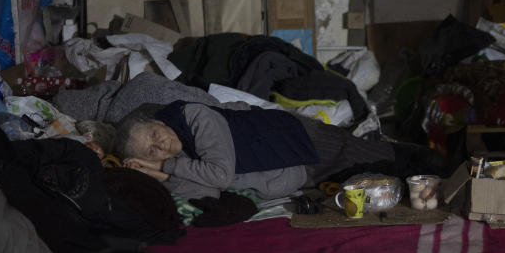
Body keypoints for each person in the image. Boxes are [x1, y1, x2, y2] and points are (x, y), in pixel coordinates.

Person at [115, 100, 412, 202]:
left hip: (296, 139)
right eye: (151, 152)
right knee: (368, 179)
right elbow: (204, 194)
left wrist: (163, 168)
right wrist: (161, 178)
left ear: (157, 122)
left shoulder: (194, 117)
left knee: (374, 156)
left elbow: (219, 175)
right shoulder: (178, 162)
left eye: (155, 135)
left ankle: (440, 163)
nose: (160, 146)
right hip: (293, 169)